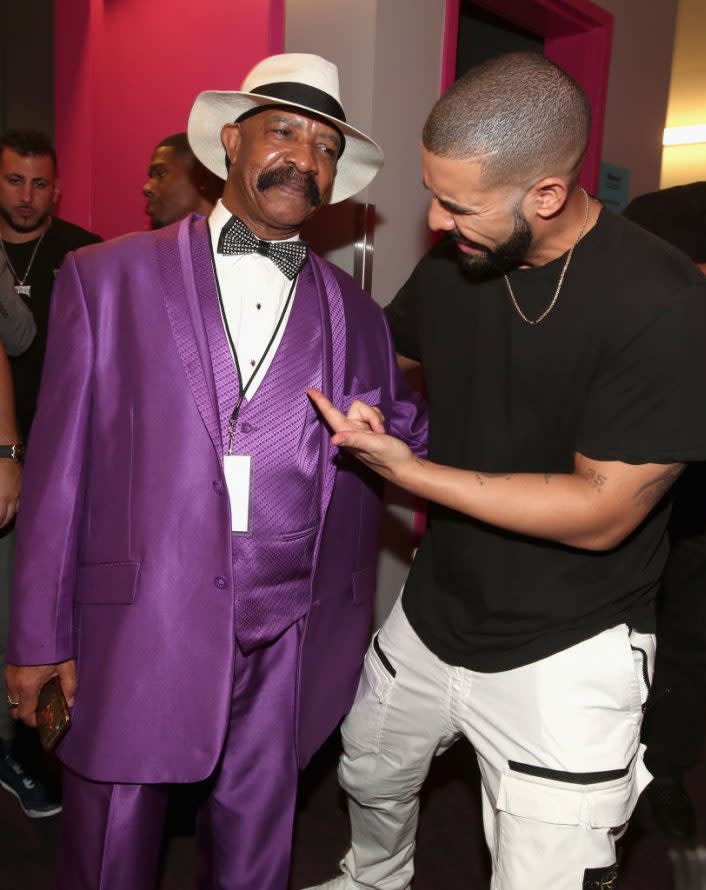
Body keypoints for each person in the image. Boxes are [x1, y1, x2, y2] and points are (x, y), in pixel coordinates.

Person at [4, 53, 426, 890]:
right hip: (135, 624)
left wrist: (394, 432)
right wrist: (37, 639)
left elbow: (404, 437)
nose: (304, 160)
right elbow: (56, 476)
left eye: (325, 147)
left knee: (255, 853)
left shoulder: (359, 316)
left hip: (287, 630)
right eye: (284, 133)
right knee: (109, 851)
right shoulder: (106, 278)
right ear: (231, 142)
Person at [303, 52, 706, 890]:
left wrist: (408, 471)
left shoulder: (662, 301)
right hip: (437, 606)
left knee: (544, 873)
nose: (436, 218)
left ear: (548, 195)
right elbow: (393, 354)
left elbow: (602, 508)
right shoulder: (463, 260)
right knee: (369, 776)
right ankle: (374, 879)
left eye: (458, 203)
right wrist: (379, 404)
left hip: (568, 643)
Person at [622, 119, 706, 841]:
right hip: (636, 466)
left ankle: (664, 771)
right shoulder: (657, 219)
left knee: (697, 640)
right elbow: (586, 313)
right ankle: (593, 759)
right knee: (609, 627)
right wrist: (680, 293)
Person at [0, 128, 100, 820]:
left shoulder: (86, 254)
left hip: (55, 465)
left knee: (32, 614)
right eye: (13, 180)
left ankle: (24, 746)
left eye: (39, 183)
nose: (27, 196)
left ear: (56, 189)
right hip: (8, 458)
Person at [143, 131, 223, 228]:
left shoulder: (241, 239)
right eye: (151, 177)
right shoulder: (131, 243)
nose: (146, 188)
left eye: (160, 173)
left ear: (203, 178)